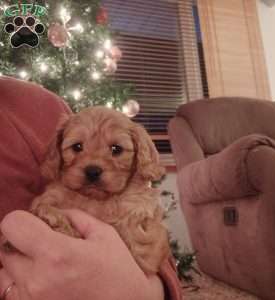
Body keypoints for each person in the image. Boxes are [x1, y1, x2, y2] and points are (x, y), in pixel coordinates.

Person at [0, 77, 182, 300]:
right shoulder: (54, 196)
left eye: (116, 149)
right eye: (77, 147)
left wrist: (143, 291)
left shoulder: (41, 105)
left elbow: (159, 262)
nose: (93, 165)